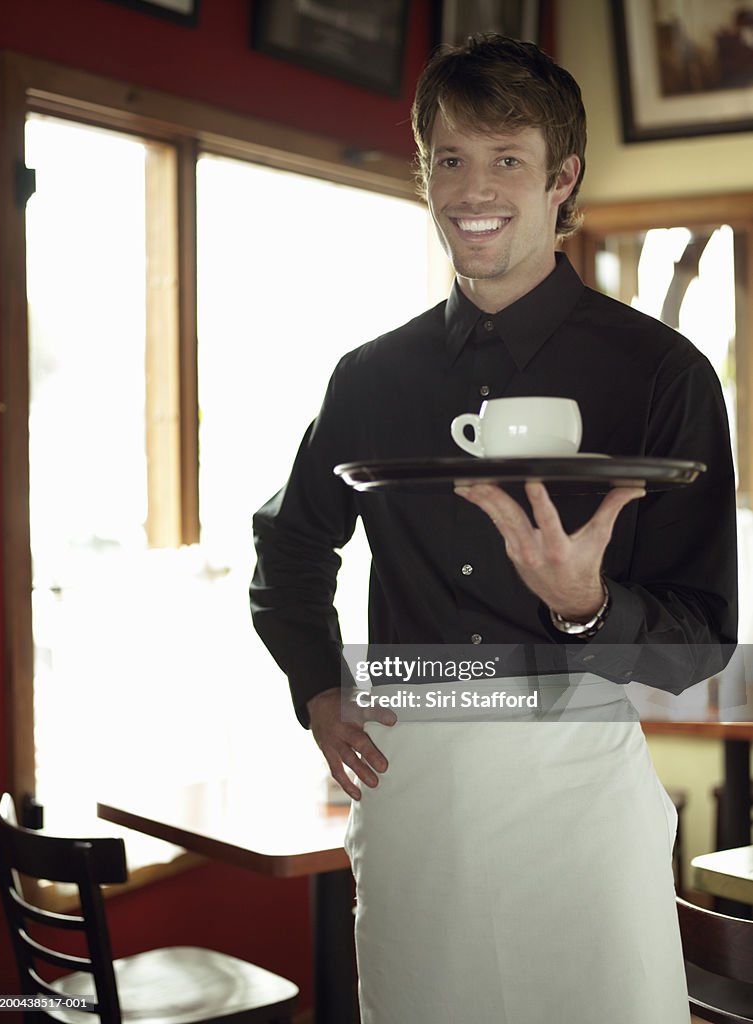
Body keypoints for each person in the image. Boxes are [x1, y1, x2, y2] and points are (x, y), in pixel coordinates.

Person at [250, 34, 737, 1024]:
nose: (472, 188)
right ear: (424, 171)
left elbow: (700, 642)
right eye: (450, 158)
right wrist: (315, 688)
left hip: (580, 790)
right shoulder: (368, 378)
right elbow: (290, 547)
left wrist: (585, 605)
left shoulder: (662, 375)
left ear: (562, 179)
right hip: (412, 791)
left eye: (506, 158)